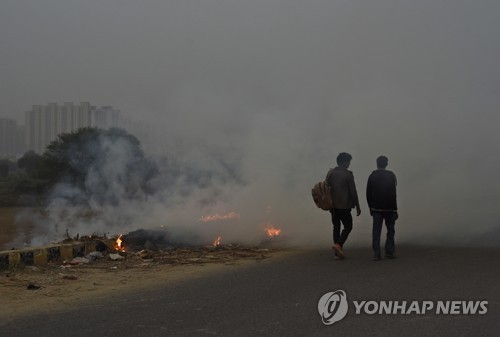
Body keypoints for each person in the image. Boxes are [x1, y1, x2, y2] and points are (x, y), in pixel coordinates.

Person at [326, 152, 361, 259]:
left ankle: (337, 253)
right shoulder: (348, 175)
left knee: (336, 227)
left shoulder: (331, 173)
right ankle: (339, 245)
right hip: (344, 206)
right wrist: (357, 206)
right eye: (349, 162)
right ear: (345, 162)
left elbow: (327, 187)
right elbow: (353, 192)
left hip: (333, 206)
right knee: (348, 226)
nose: (349, 164)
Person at [366, 156, 398, 261]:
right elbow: (393, 194)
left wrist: (370, 207)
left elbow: (368, 194)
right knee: (390, 230)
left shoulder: (372, 176)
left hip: (376, 209)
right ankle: (389, 251)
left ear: (377, 163)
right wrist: (395, 210)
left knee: (376, 231)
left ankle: (376, 254)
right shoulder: (391, 176)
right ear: (387, 164)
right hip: (389, 208)